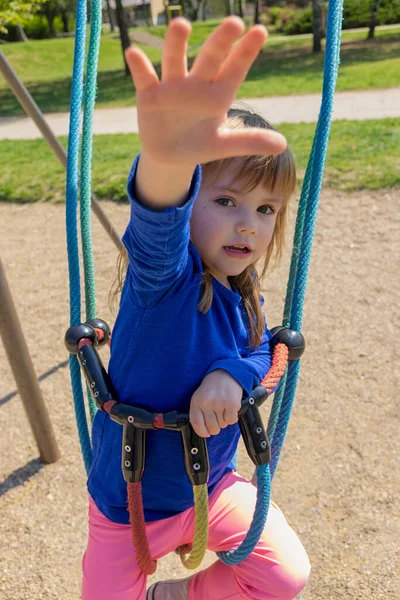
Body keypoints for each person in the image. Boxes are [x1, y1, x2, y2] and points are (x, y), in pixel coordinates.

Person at [82, 16, 311, 600]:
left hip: (210, 487)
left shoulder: (241, 291)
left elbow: (261, 346)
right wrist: (168, 159)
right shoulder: (162, 281)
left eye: (266, 210)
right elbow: (159, 222)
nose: (248, 224)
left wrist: (230, 373)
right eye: (228, 199)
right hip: (126, 502)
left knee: (285, 574)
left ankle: (179, 595)